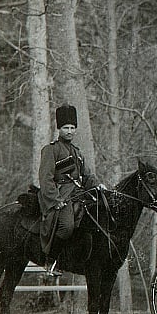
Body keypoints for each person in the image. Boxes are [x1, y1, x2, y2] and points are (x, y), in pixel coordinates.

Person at [39, 104, 103, 277]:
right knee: (67, 227)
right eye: (66, 128)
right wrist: (56, 200)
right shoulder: (51, 150)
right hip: (61, 196)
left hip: (78, 194)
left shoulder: (77, 152)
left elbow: (87, 175)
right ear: (59, 129)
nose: (69, 131)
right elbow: (45, 179)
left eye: (72, 128)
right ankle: (51, 261)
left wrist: (99, 185)